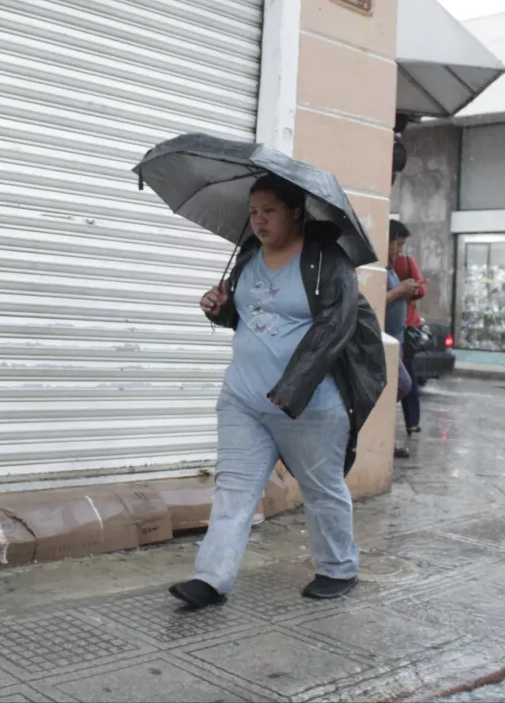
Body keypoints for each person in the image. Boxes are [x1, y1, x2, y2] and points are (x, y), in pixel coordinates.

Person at [171, 175, 386, 610]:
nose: (259, 220)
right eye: (253, 212)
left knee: (321, 486)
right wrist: (220, 310)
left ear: (296, 212)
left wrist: (291, 389)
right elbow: (249, 317)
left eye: (269, 211)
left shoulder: (330, 261)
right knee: (234, 489)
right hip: (243, 399)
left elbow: (335, 328)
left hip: (309, 403)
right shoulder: (249, 254)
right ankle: (210, 579)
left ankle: (338, 567)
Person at [386, 221, 421, 458]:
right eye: (398, 244)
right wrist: (399, 291)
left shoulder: (390, 269)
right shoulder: (378, 270)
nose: (400, 250)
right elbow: (373, 302)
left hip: (396, 340)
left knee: (396, 390)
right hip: (385, 341)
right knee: (403, 384)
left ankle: (386, 440)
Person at [392, 231, 426, 435]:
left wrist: (408, 290)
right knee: (403, 378)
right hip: (392, 328)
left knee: (407, 378)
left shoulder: (405, 261)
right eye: (398, 244)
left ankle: (412, 421)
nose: (400, 249)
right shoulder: (382, 265)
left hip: (406, 326)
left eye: (402, 245)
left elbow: (421, 291)